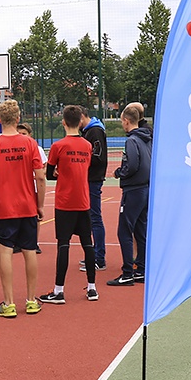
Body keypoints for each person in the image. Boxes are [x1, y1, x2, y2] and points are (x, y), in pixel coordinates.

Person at [0, 99, 46, 318]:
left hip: (3, 207)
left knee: (5, 252)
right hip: (27, 205)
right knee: (29, 250)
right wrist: (40, 204)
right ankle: (31, 300)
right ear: (18, 119)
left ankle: (8, 303)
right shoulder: (30, 143)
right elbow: (41, 177)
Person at [39, 105, 98, 304]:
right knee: (88, 245)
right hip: (83, 201)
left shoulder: (58, 146)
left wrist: (58, 172)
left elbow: (49, 173)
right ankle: (92, 288)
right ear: (80, 121)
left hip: (65, 202)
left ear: (63, 122)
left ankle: (59, 290)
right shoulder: (87, 145)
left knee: (63, 245)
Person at [107, 105, 152, 287]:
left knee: (124, 230)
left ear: (126, 120)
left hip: (134, 190)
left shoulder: (132, 141)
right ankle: (141, 268)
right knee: (140, 229)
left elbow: (131, 164)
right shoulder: (147, 138)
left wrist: (119, 172)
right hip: (145, 188)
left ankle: (127, 272)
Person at [78, 106, 108, 272]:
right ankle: (93, 254)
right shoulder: (88, 131)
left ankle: (99, 258)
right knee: (90, 218)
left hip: (93, 179)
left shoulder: (94, 131)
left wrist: (82, 161)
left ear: (83, 117)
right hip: (89, 179)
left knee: (95, 217)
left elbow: (98, 157)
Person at [15, 122, 46, 254]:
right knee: (16, 215)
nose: (22, 136)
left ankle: (34, 242)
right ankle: (17, 242)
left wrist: (38, 174)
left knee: (34, 216)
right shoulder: (14, 148)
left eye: (24, 134)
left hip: (31, 187)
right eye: (19, 134)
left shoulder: (37, 149)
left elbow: (44, 167)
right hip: (16, 187)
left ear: (30, 135)